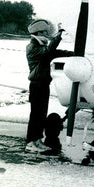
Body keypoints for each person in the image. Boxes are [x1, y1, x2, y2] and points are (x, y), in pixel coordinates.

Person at [25, 19, 73, 153]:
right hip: (36, 86)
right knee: (36, 116)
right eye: (45, 32)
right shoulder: (33, 48)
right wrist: (58, 36)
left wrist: (76, 55)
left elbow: (55, 52)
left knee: (41, 115)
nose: (47, 34)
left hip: (43, 85)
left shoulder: (41, 47)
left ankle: (37, 141)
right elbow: (49, 52)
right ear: (38, 32)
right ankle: (31, 142)